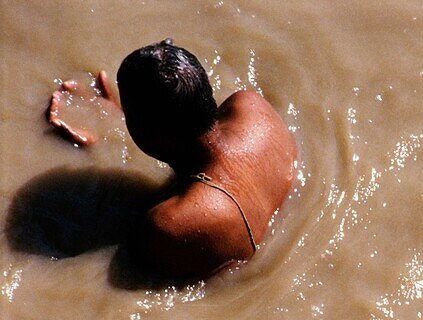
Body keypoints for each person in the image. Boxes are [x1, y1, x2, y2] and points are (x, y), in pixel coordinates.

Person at [48, 40, 296, 280]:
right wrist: (120, 117)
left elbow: (135, 265)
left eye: (129, 115)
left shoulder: (170, 225)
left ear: (148, 133)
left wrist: (98, 148)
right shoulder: (253, 108)